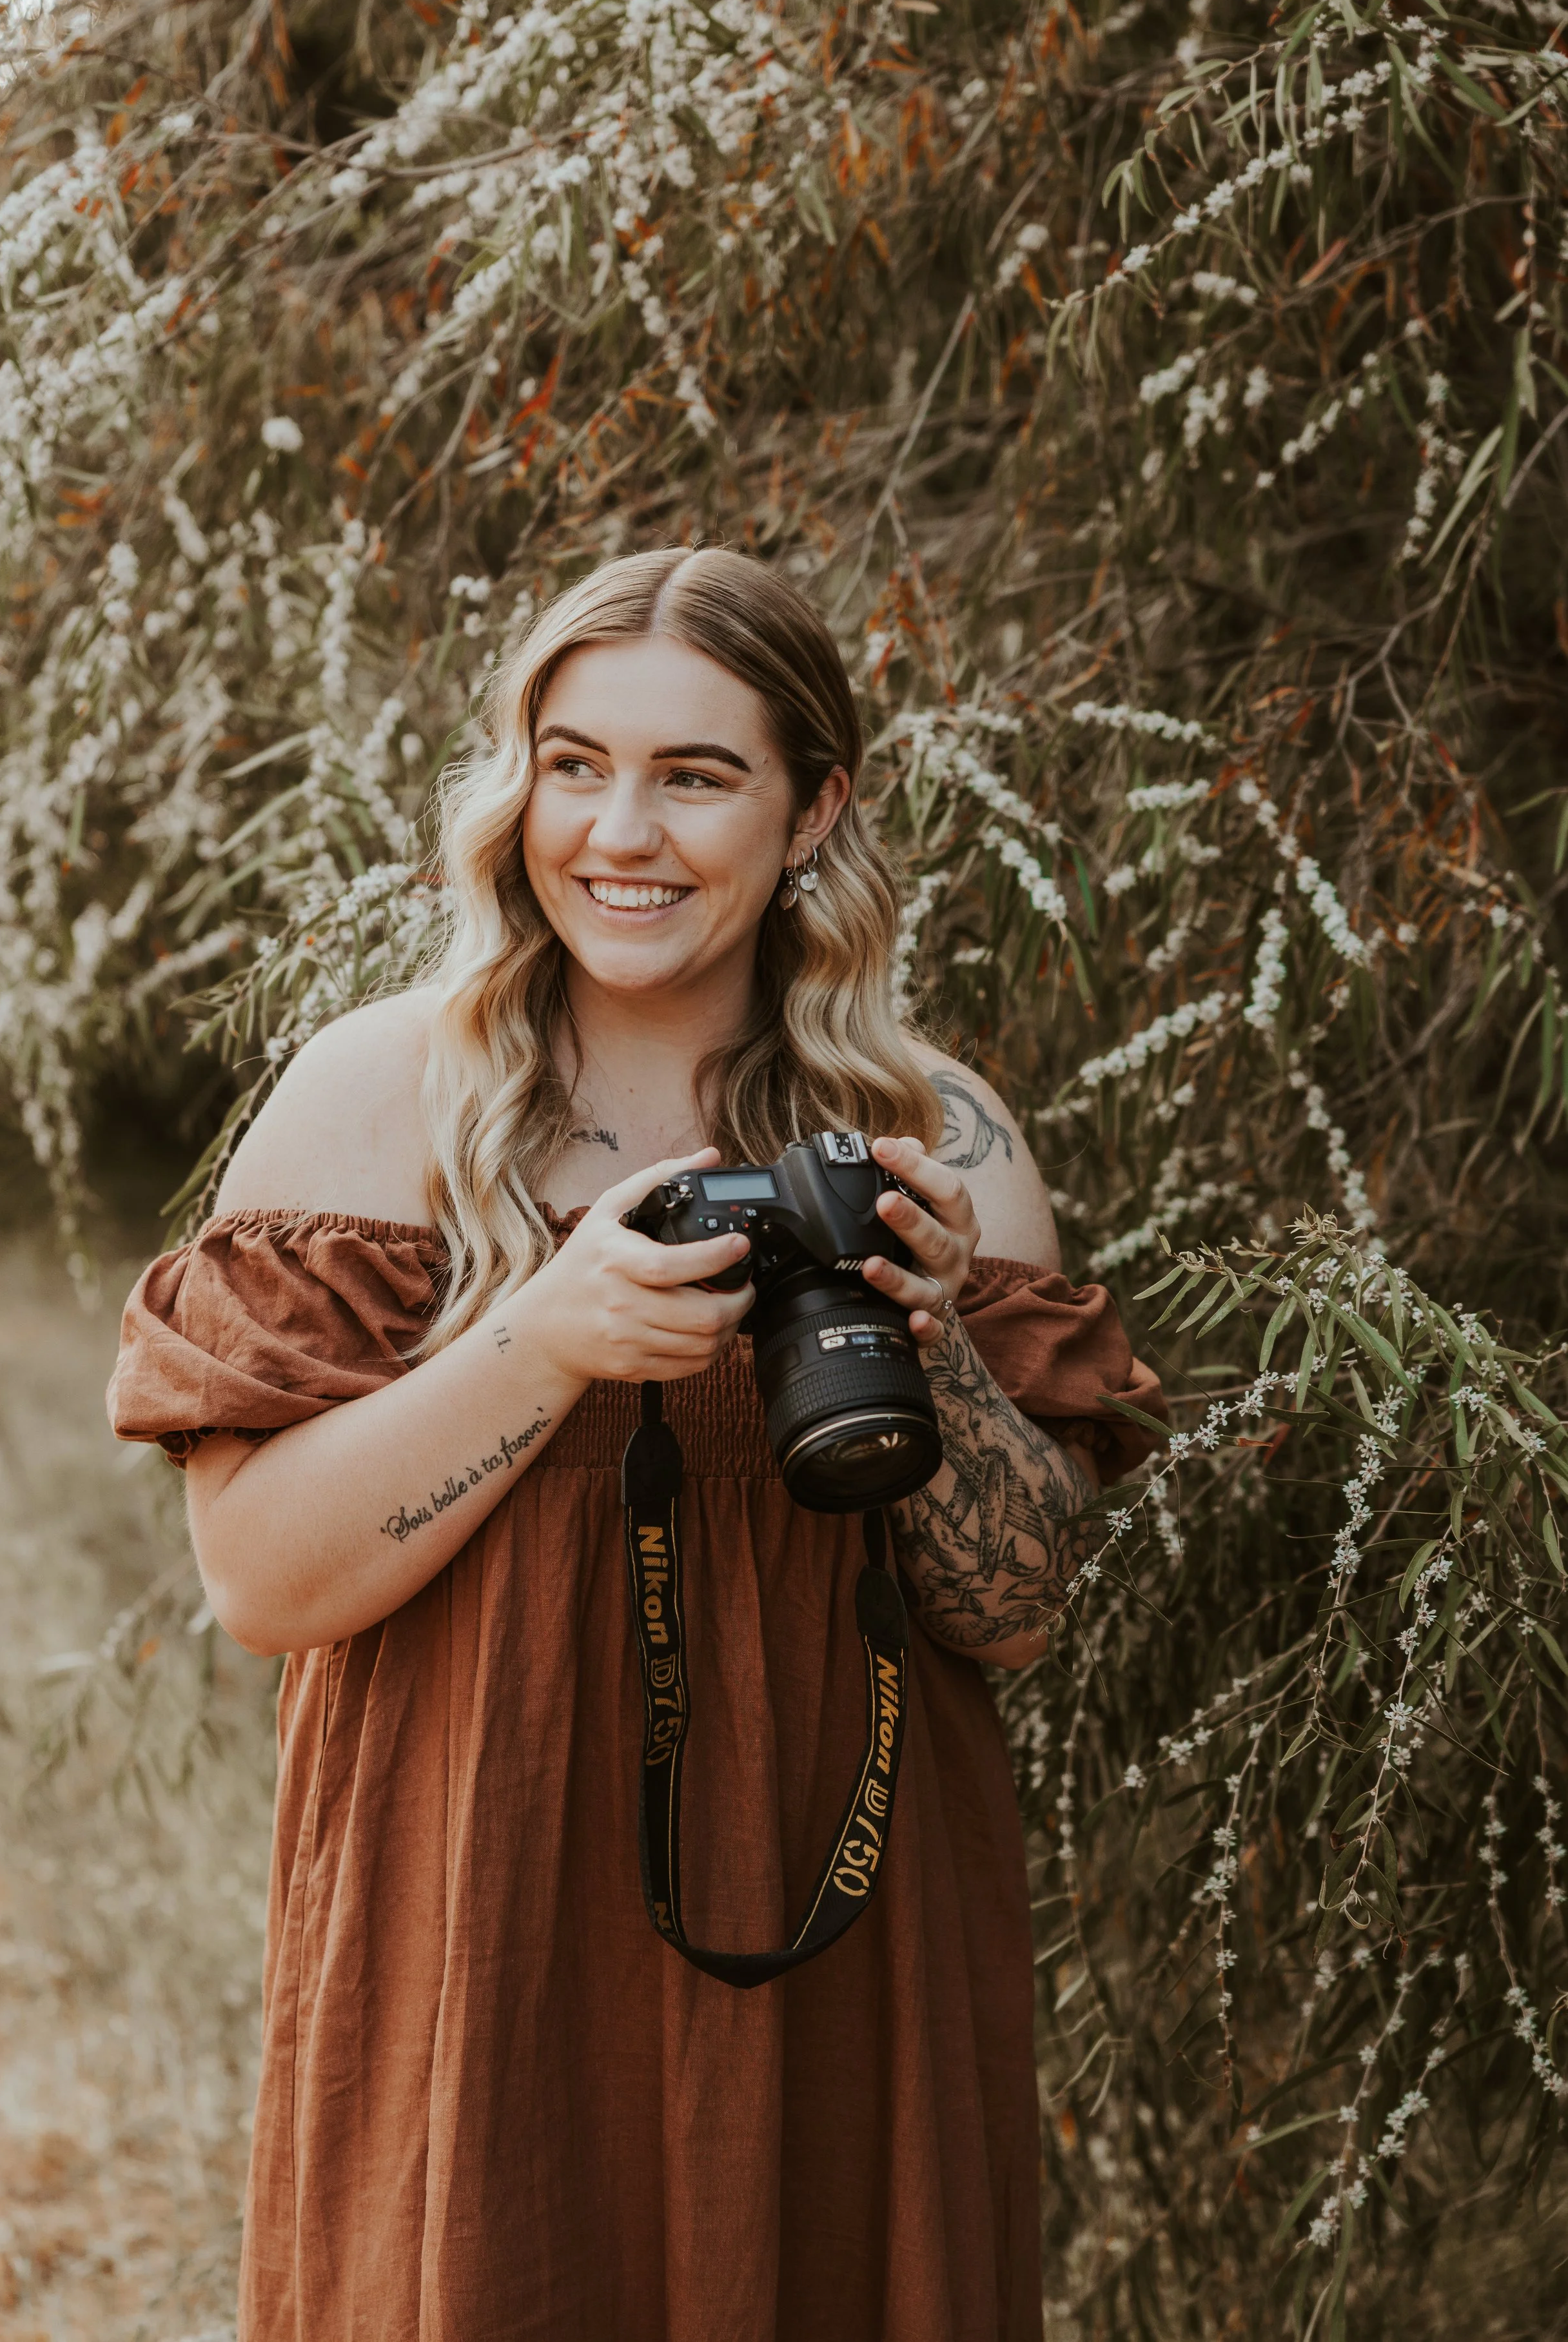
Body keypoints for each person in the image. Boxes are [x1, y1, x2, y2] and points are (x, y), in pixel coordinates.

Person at [108, 547, 1163, 2342]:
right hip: (474, 1904)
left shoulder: (937, 1137)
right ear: (515, 783)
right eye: (573, 761)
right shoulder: (378, 1103)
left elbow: (1019, 1612)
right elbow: (261, 1581)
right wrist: (545, 1344)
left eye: (695, 773)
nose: (621, 831)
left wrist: (944, 1362)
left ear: (813, 806)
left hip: (845, 1915)